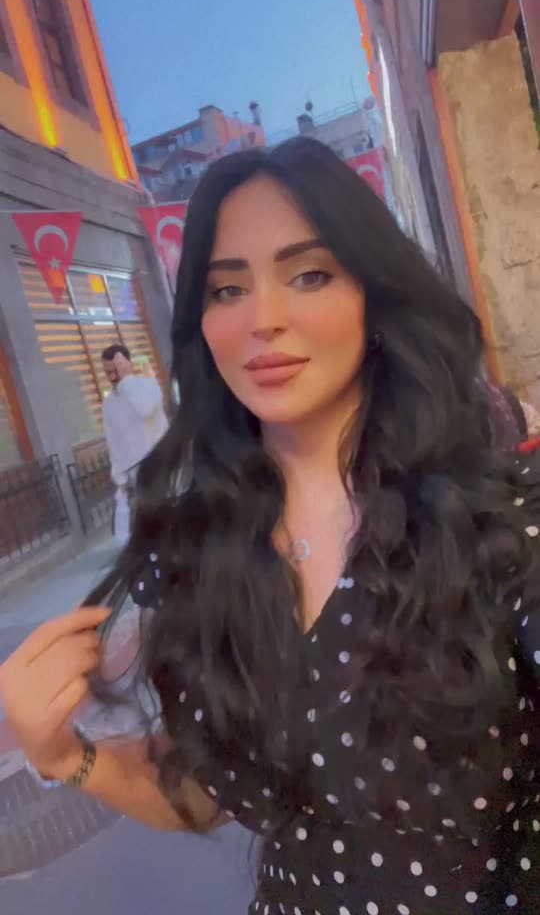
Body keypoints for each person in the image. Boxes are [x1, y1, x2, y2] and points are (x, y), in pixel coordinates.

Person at [1, 138, 540, 914]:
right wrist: (64, 754)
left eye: (309, 275)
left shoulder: (500, 522)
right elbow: (204, 790)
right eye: (227, 290)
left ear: (374, 295)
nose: (263, 319)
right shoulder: (201, 550)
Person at [101, 344, 168, 540]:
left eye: (117, 369)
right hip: (136, 477)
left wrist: (126, 380)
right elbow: (113, 442)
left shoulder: (148, 385)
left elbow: (145, 409)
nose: (113, 376)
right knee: (150, 531)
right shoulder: (109, 403)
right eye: (108, 372)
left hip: (162, 464)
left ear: (128, 365)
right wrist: (119, 479)